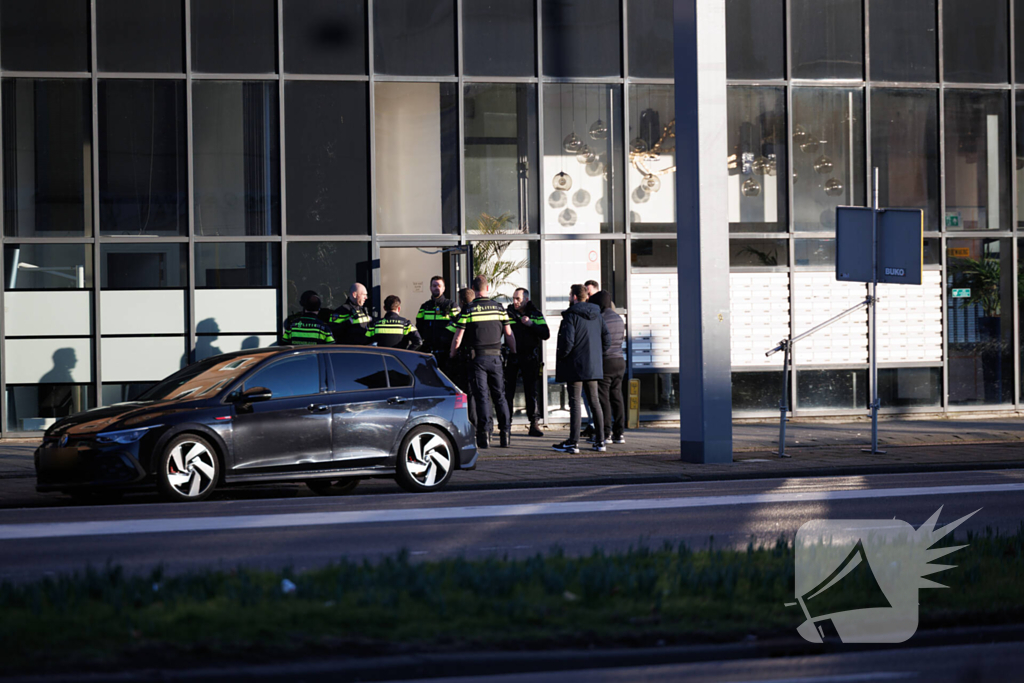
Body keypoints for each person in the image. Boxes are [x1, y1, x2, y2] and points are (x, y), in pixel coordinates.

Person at [451, 275, 516, 449]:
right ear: (487, 289)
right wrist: (514, 351)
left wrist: (452, 353)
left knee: (482, 397)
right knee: (500, 396)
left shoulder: (469, 309)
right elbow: (509, 335)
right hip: (496, 358)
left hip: (477, 358)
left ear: (473, 288)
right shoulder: (499, 308)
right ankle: (505, 434)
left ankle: (484, 435)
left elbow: (458, 337)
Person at [553, 284, 609, 454]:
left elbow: (568, 342)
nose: (569, 297)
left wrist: (563, 356)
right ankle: (600, 441)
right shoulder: (597, 315)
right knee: (594, 401)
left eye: (570, 294)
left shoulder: (571, 315)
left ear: (575, 297)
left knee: (575, 403)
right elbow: (607, 338)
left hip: (575, 365)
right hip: (593, 365)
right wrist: (597, 354)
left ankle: (573, 442)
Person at [504, 287, 549, 437]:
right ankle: (507, 424)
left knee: (531, 392)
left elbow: (546, 333)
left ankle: (534, 424)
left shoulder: (535, 314)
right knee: (508, 392)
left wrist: (531, 325)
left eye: (518, 299)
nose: (515, 302)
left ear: (526, 299)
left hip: (530, 357)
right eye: (514, 298)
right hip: (512, 357)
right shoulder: (508, 314)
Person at [590, 290, 626, 444]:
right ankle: (619, 433)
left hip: (606, 361)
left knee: (603, 397)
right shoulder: (618, 318)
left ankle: (606, 432)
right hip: (619, 360)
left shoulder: (601, 318)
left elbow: (599, 341)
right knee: (617, 397)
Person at [446, 287, 478, 429]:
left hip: (463, 360)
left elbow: (449, 335)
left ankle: (467, 424)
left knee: (464, 394)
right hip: (479, 358)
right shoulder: (477, 314)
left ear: (461, 301)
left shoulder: (462, 315)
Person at [416, 275, 458, 371]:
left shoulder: (451, 305)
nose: (436, 288)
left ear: (444, 288)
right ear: (430, 288)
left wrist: (446, 335)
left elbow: (459, 324)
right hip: (428, 351)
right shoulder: (425, 306)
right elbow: (419, 326)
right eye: (434, 286)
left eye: (439, 286)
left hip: (445, 351)